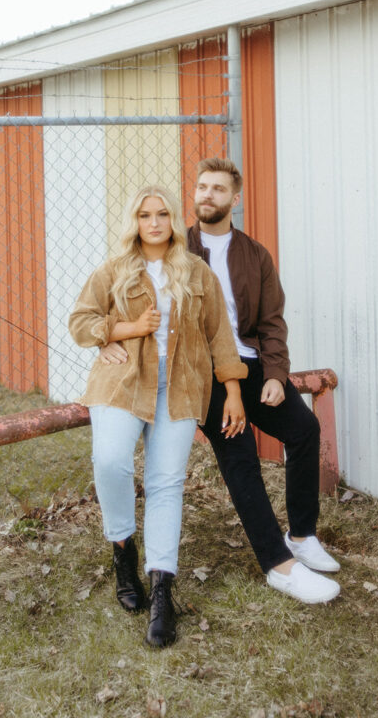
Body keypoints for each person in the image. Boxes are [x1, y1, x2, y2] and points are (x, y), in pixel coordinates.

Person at [101, 159, 340, 605]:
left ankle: (302, 536)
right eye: (201, 187)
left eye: (218, 189)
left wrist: (274, 375)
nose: (207, 195)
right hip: (197, 373)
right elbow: (118, 300)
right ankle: (278, 565)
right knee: (239, 451)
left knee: (303, 430)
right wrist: (107, 341)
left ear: (236, 198)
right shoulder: (175, 245)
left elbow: (271, 323)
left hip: (246, 365)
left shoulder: (255, 255)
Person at [69, 185, 247, 647]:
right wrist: (119, 331)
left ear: (172, 220)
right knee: (110, 462)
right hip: (123, 383)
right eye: (145, 215)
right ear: (135, 221)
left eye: (162, 214)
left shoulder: (196, 273)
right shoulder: (113, 271)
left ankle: (162, 588)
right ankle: (123, 549)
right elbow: (80, 321)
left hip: (181, 389)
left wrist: (232, 391)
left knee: (167, 483)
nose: (154, 223)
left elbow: (220, 336)